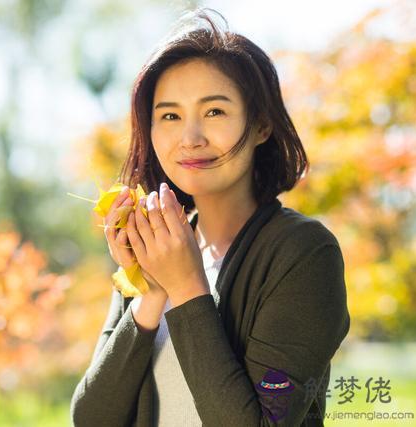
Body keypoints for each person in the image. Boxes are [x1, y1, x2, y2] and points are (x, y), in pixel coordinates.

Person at [70, 8, 350, 427]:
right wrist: (150, 290)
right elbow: (91, 419)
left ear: (260, 126)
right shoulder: (157, 245)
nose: (190, 138)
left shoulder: (304, 253)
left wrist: (185, 286)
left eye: (215, 112)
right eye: (169, 116)